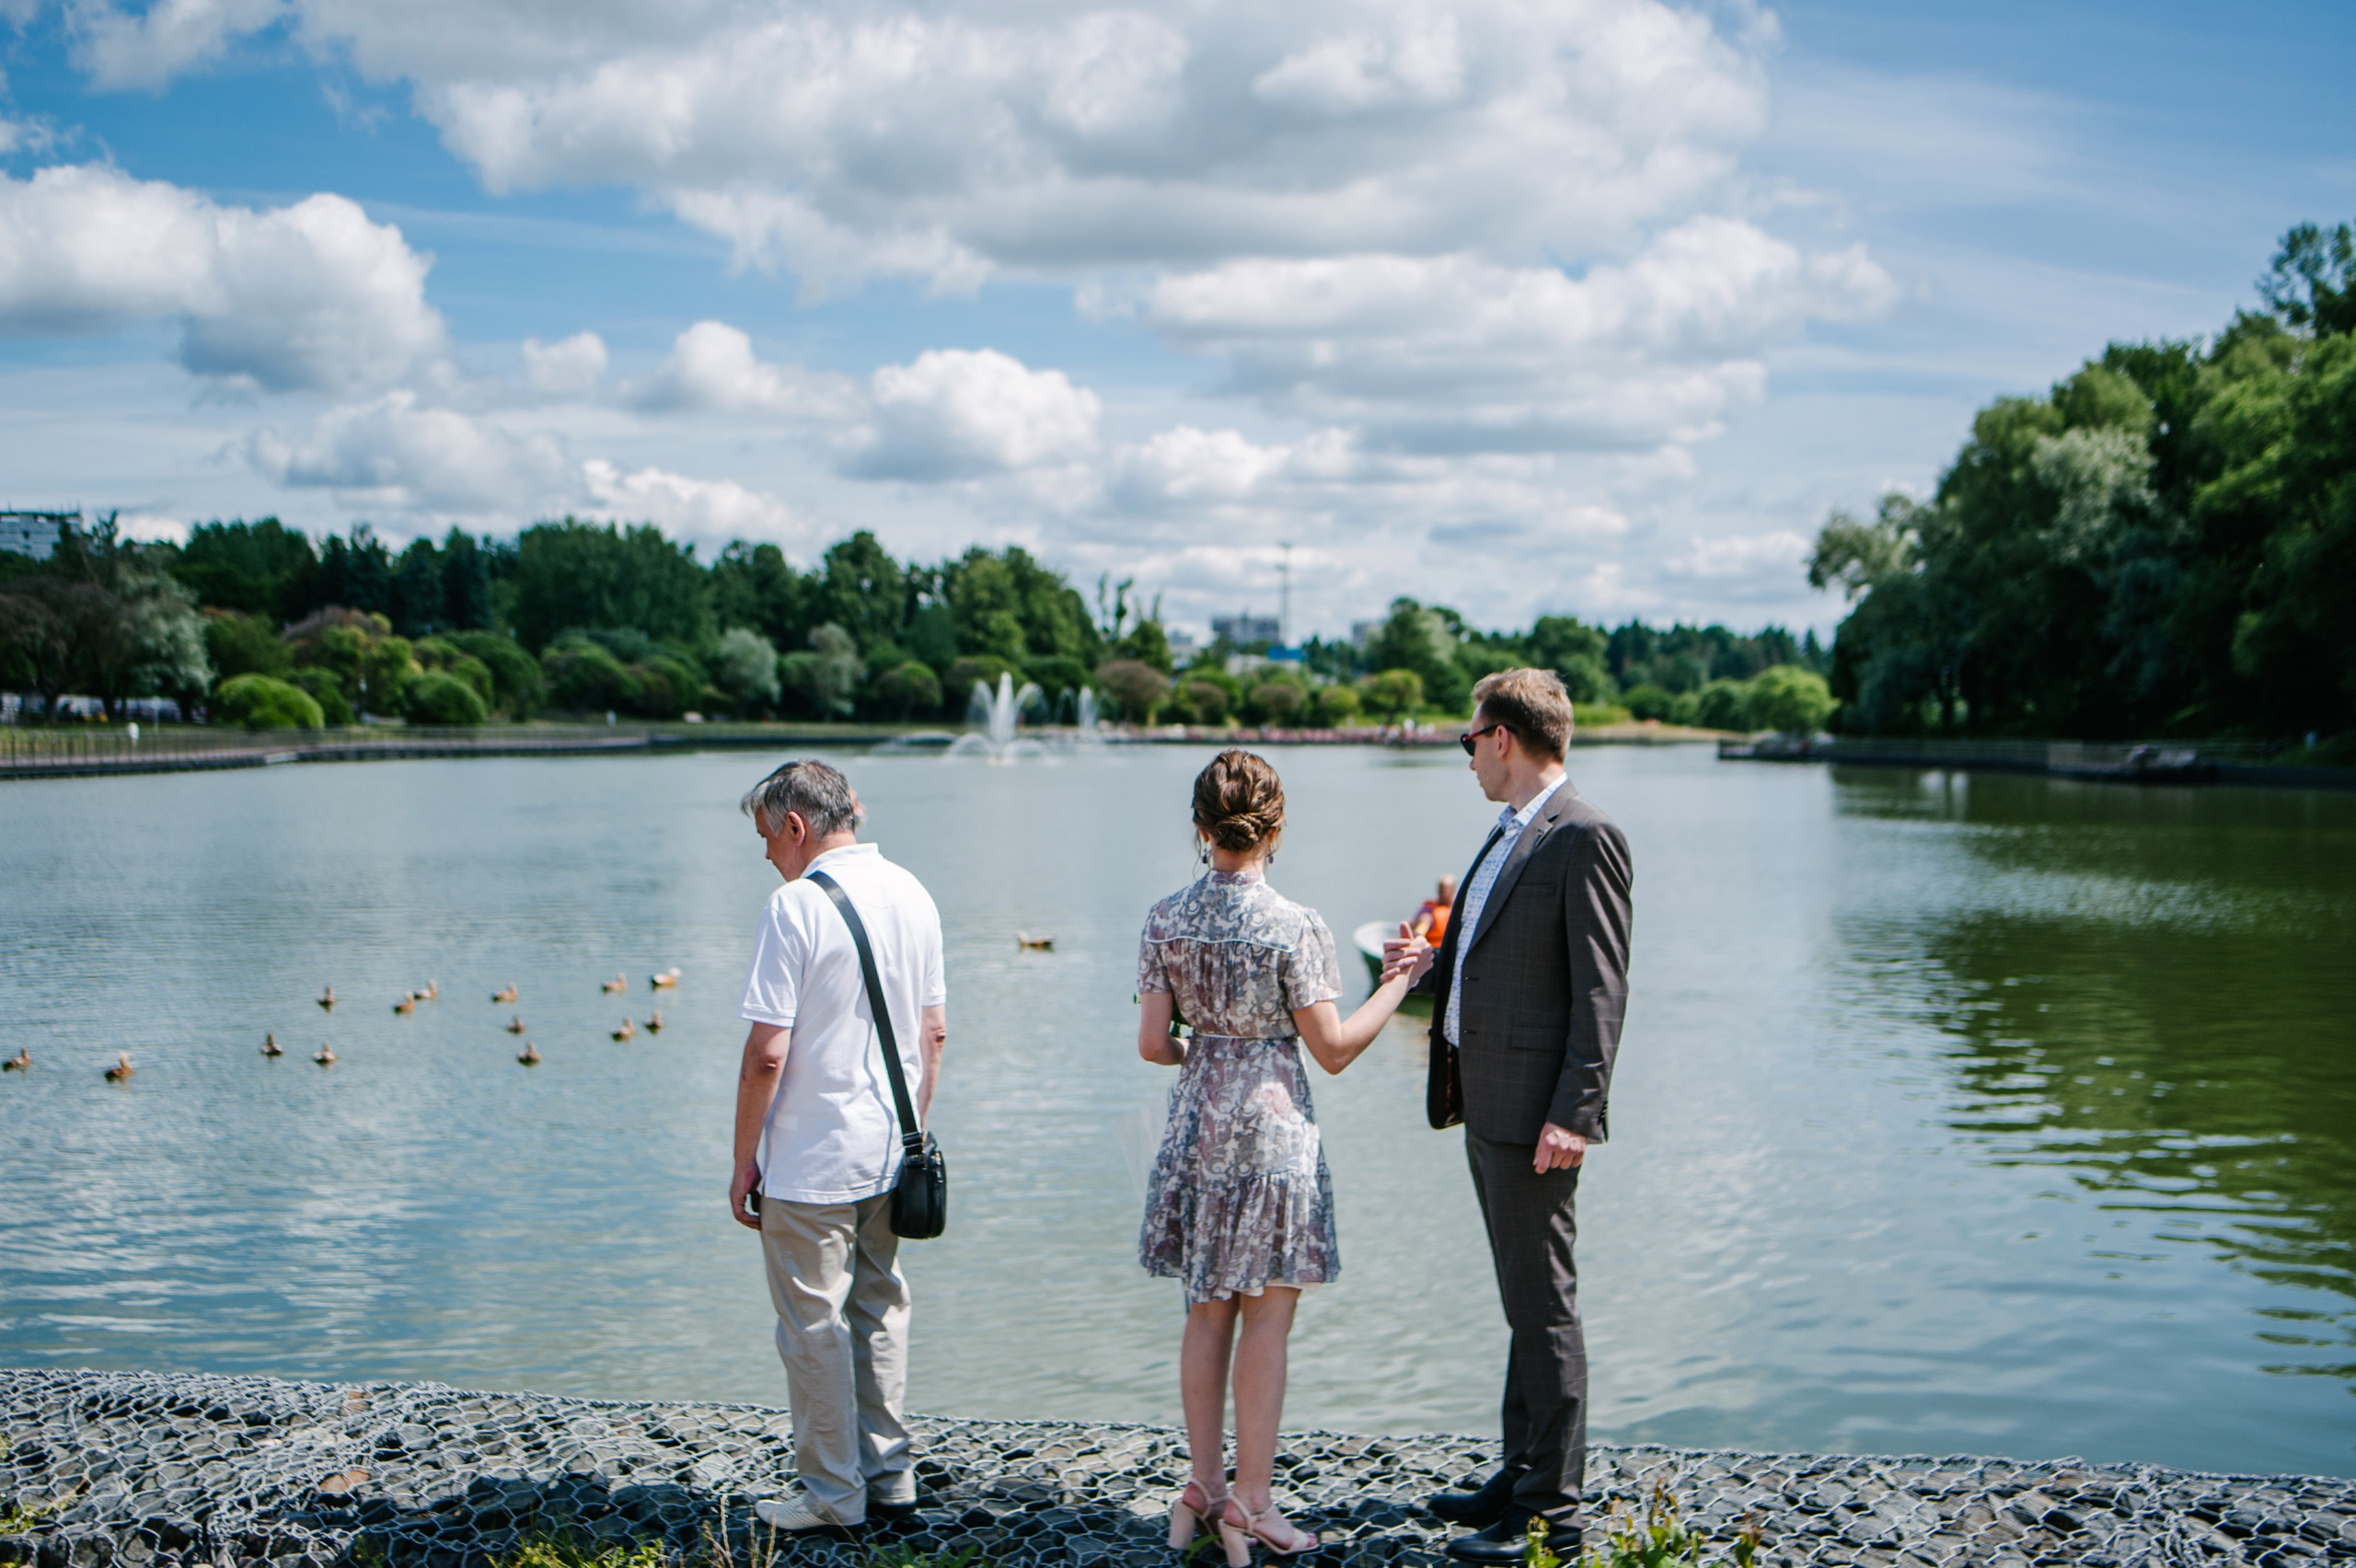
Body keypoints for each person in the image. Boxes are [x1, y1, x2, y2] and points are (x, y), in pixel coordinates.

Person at [1137, 750, 1429, 1565]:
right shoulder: (1293, 923)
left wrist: (1208, 1044)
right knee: (1266, 1315)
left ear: (1201, 828)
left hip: (1198, 1126)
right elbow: (1332, 1049)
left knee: (1205, 1309)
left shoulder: (1164, 917)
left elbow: (1153, 1045)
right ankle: (1253, 1505)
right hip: (1270, 1134)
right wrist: (1399, 983)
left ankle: (1201, 1484)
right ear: (1277, 827)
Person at [1387, 669, 1633, 1565]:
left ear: (1503, 738)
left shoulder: (1585, 836)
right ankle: (1516, 1475)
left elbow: (1600, 993)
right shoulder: (1508, 830)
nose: (1466, 758)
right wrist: (1429, 961)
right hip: (1486, 1103)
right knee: (1520, 1302)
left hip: (1538, 1119)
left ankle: (1551, 1525)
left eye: (1468, 740)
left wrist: (1576, 1112)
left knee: (1546, 1309)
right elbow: (1494, 950)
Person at [728, 759, 948, 1533]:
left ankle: (832, 1494)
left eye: (766, 836)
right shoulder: (914, 892)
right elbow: (934, 1033)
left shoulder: (793, 908)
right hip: (892, 1150)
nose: (766, 855)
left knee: (813, 1327)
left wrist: (742, 1158)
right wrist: (912, 1128)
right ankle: (890, 1480)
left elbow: (766, 1054)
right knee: (879, 1309)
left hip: (812, 1159)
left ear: (796, 826)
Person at [1414, 872, 1460, 946]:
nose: (1444, 893)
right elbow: (1413, 925)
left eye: (1446, 889)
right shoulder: (1428, 908)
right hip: (1430, 949)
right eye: (1441, 889)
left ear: (1453, 890)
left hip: (1450, 948)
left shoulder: (1458, 909)